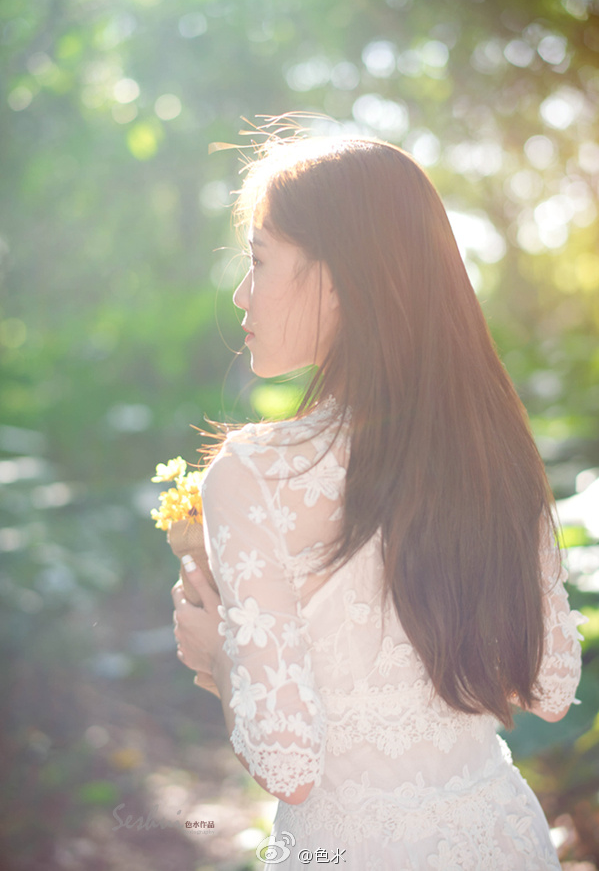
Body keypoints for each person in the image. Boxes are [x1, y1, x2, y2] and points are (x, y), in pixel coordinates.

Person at [171, 134, 585, 870]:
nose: (241, 293)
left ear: (335, 276)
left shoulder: (254, 475)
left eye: (258, 260)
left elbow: (288, 768)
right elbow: (550, 686)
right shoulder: (494, 443)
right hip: (500, 839)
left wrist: (221, 654)